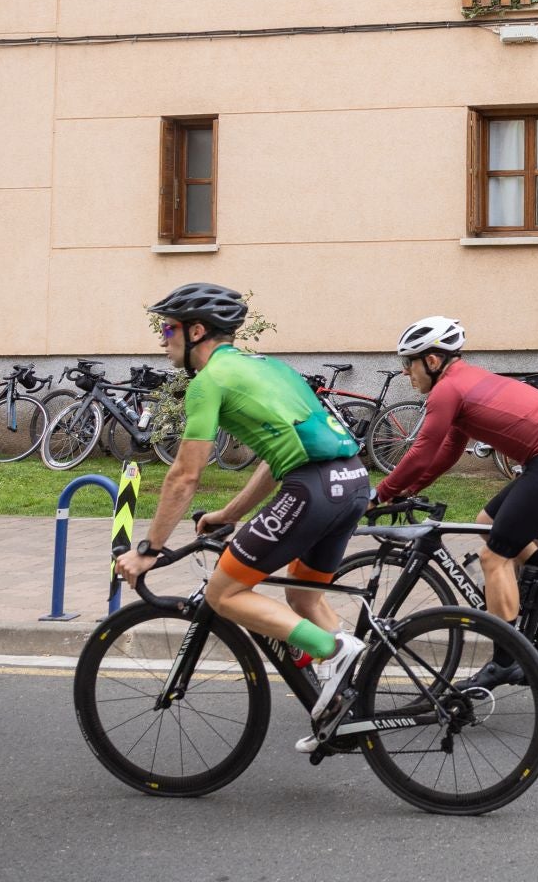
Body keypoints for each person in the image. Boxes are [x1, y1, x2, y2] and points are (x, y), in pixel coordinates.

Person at [114, 284, 370, 743]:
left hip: (313, 491)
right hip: (351, 482)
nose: (163, 338)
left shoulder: (209, 381)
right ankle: (347, 703)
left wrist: (149, 550)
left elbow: (183, 476)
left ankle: (332, 649)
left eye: (168, 327)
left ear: (197, 331)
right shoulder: (269, 367)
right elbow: (279, 458)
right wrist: (229, 514)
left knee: (224, 594)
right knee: (304, 599)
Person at [373, 316, 538, 689]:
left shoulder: (447, 390)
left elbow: (422, 451)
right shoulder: (463, 383)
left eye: (408, 362)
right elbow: (445, 453)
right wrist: (409, 490)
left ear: (432, 360)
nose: (404, 372)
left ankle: (505, 661)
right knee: (486, 520)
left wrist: (378, 495)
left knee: (495, 556)